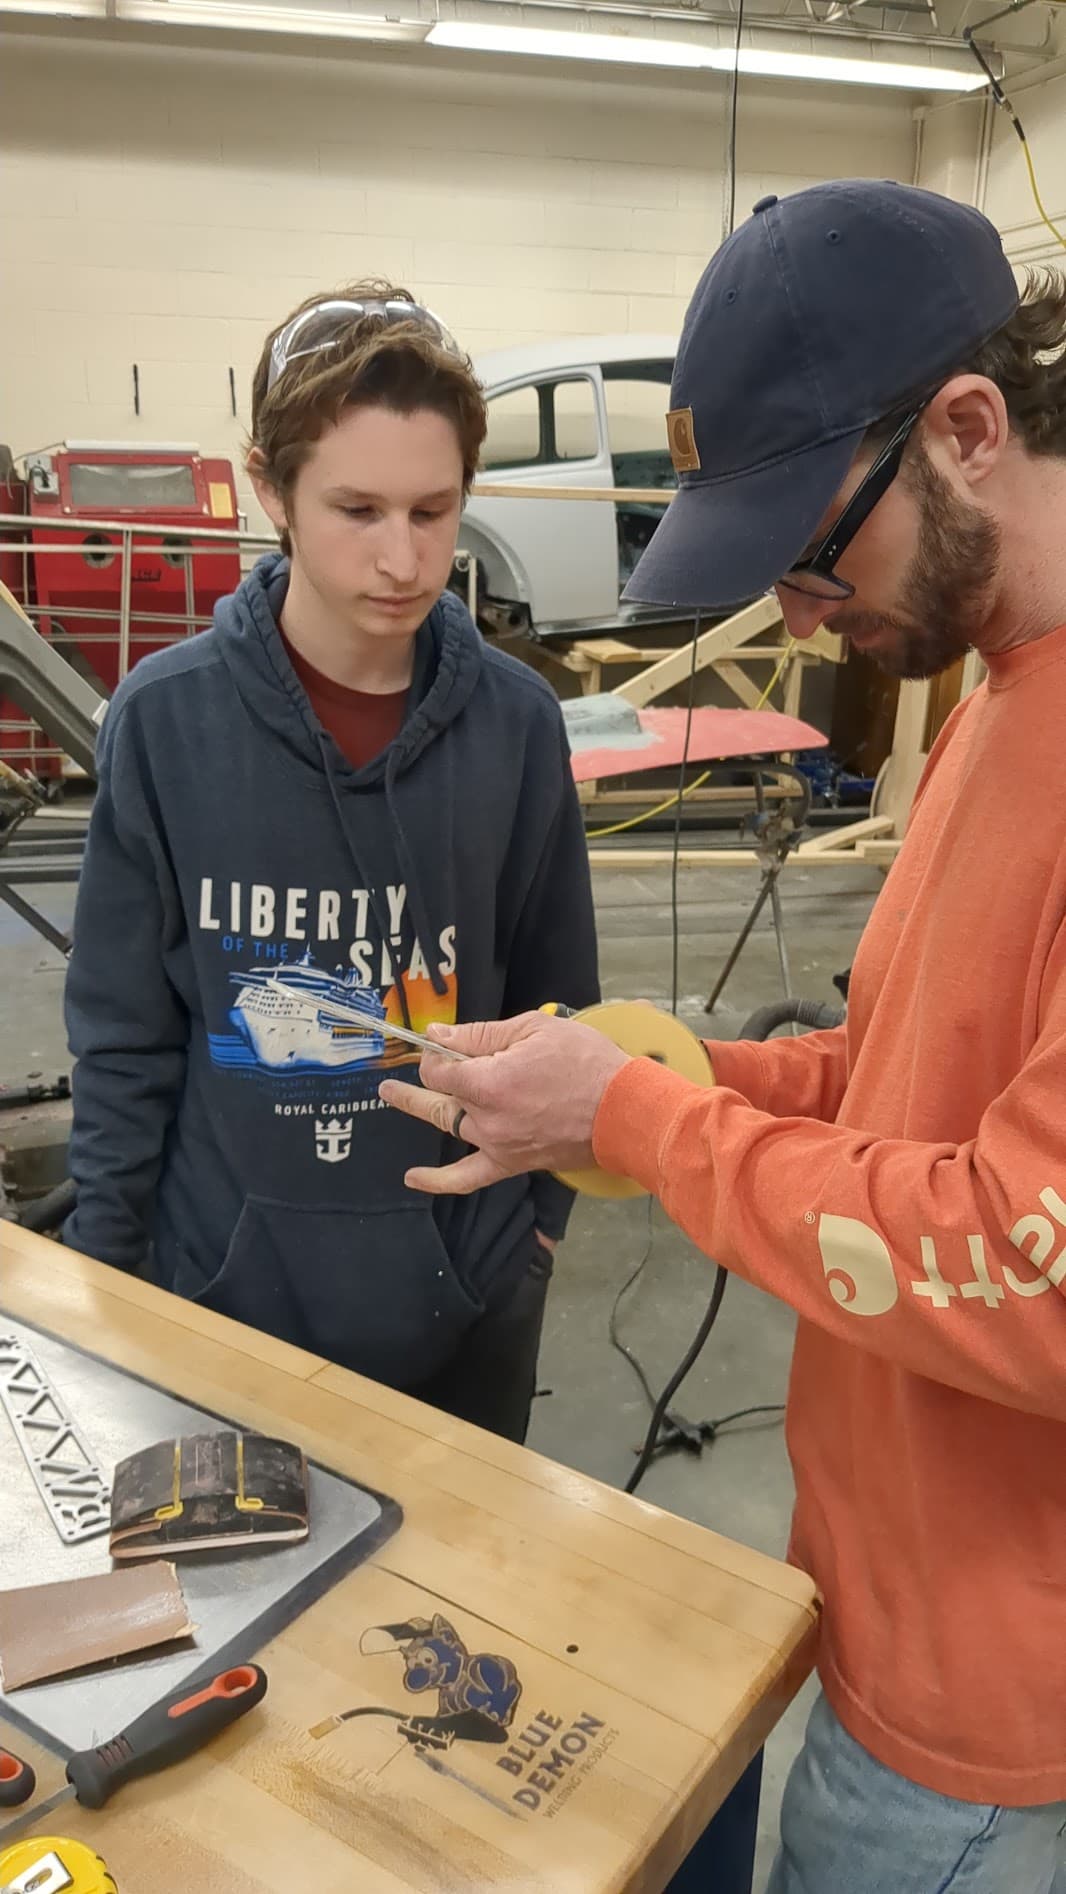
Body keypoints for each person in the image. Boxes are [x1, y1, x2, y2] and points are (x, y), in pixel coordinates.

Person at [380, 183, 1066, 1891]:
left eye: (812, 558)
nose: (805, 619)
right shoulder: (996, 698)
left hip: (993, 1731)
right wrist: (653, 1072)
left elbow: (1024, 1264)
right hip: (884, 1619)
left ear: (964, 431)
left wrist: (644, 1123)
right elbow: (905, 1074)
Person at [63, 281, 598, 1443]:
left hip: (468, 1298)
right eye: (357, 509)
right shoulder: (163, 722)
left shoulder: (516, 725)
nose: (403, 558)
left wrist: (536, 1228)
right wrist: (103, 1276)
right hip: (223, 1302)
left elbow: (560, 997)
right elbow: (121, 1029)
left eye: (433, 510)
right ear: (271, 488)